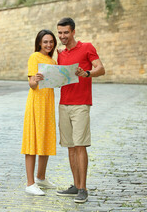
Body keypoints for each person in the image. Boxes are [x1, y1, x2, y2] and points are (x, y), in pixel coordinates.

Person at [55, 18, 105, 203]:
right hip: (64, 104)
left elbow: (101, 68)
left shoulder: (87, 47)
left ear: (73, 32)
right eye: (60, 33)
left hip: (81, 104)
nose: (62, 36)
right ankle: (75, 185)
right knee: (69, 146)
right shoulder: (60, 54)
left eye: (66, 33)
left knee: (80, 145)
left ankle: (83, 188)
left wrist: (87, 73)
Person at [21, 29, 57, 196]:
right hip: (36, 103)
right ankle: (30, 183)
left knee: (46, 138)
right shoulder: (34, 57)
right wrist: (34, 80)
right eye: (45, 42)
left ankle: (41, 177)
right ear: (39, 43)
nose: (48, 44)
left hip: (48, 102)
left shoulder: (53, 60)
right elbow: (31, 84)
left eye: (51, 42)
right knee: (32, 140)